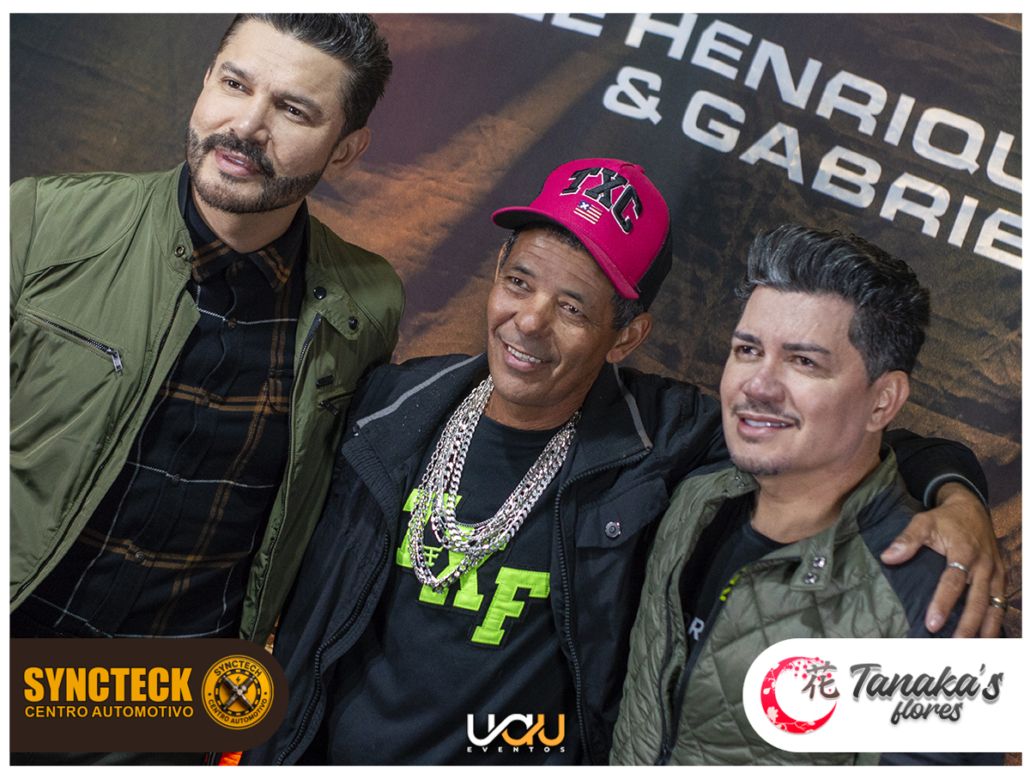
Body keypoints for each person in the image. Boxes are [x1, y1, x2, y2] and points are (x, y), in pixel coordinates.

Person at [244, 160, 1003, 766]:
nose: (529, 321)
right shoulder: (390, 407)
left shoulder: (665, 443)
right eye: (518, 281)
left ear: (626, 336)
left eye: (573, 307)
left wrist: (958, 495)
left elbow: (840, 437)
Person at [10, 16, 401, 650]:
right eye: (234, 84)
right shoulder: (41, 221)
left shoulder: (368, 302)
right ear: (204, 81)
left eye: (293, 110)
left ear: (345, 150)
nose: (245, 126)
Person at [609, 225, 1005, 765]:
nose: (758, 385)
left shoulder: (934, 597)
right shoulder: (693, 498)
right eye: (747, 350)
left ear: (883, 401)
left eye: (804, 362)